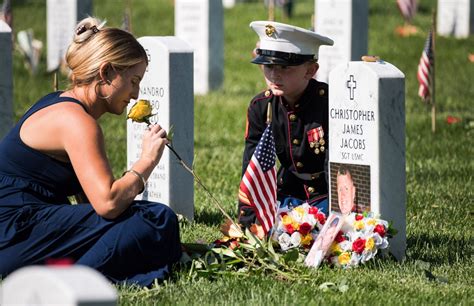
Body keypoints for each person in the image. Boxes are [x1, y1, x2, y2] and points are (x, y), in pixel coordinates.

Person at [0, 17, 181, 287]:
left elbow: (91, 205)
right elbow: (107, 204)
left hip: (20, 228)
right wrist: (146, 161)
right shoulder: (78, 122)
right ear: (106, 72)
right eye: (133, 81)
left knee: (144, 220)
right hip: (15, 231)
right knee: (157, 218)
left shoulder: (65, 104)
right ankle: (72, 281)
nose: (136, 93)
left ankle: (71, 269)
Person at [238, 21, 333, 228]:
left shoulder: (329, 103)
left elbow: (334, 167)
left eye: (284, 68)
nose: (274, 75)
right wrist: (247, 222)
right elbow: (252, 167)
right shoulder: (261, 107)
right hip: (287, 192)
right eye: (268, 66)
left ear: (311, 70)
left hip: (326, 193)